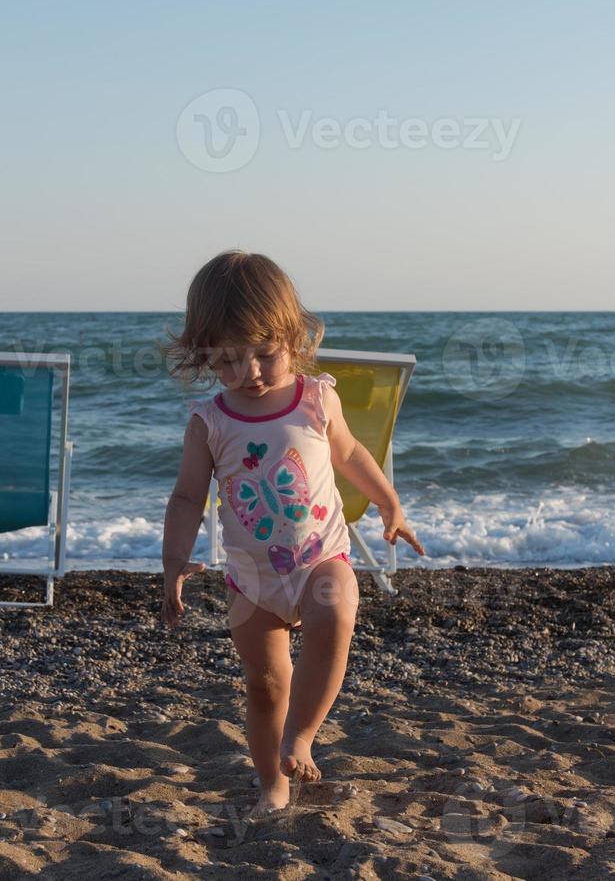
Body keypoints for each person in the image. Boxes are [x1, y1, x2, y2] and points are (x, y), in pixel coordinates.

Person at [160, 251, 425, 818]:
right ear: (204, 354)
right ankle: (273, 786)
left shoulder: (315, 398)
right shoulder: (209, 421)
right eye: (229, 361)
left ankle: (302, 736)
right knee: (263, 687)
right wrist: (173, 562)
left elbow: (352, 454)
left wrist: (390, 503)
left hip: (319, 555)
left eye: (265, 354)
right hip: (251, 580)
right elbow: (186, 497)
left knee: (336, 608)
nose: (250, 373)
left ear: (292, 337)